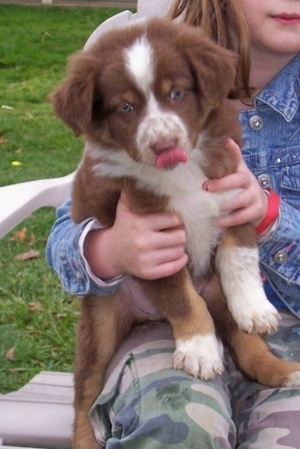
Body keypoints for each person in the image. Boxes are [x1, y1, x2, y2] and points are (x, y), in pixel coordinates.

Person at [46, 0, 300, 447]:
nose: (160, 130)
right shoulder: (154, 57)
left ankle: (251, 358)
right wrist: (111, 250)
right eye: (127, 109)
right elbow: (65, 237)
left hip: (287, 328)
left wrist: (269, 217)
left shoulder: (195, 71)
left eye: (177, 94)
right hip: (153, 330)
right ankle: (84, 423)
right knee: (174, 427)